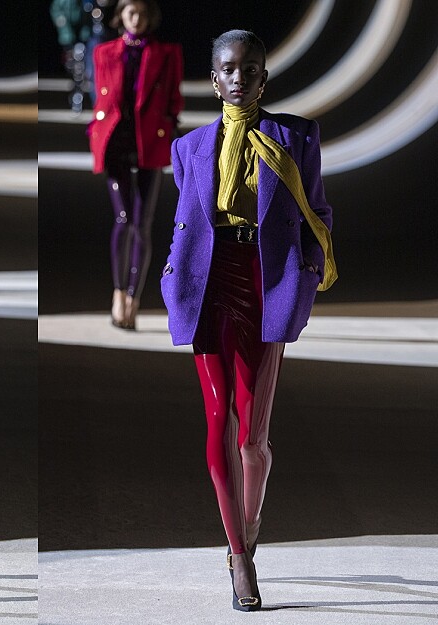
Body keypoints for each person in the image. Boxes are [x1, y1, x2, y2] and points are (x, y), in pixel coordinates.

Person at [159, 29, 336, 612]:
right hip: (209, 283)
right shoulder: (190, 147)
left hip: (267, 284)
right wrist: (172, 275)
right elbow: (187, 219)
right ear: (214, 79)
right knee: (218, 423)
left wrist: (307, 274)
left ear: (264, 76)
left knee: (252, 439)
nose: (240, 78)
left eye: (251, 68)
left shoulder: (296, 137)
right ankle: (239, 556)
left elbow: (317, 210)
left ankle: (249, 523)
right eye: (229, 69)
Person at [87, 0, 182, 330]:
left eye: (142, 13)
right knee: (124, 218)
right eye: (130, 13)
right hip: (116, 141)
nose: (136, 19)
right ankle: (117, 293)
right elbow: (101, 96)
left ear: (150, 17)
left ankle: (133, 298)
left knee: (142, 223)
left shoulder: (166, 54)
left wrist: (168, 124)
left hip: (150, 142)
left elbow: (174, 99)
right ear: (121, 16)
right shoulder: (104, 52)